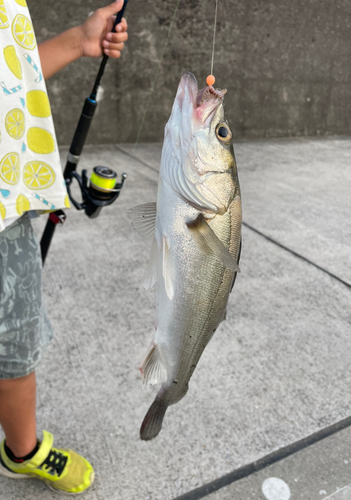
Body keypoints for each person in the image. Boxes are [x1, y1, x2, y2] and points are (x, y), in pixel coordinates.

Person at [0, 0, 128, 494]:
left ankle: (23, 450)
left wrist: (80, 42)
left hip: (6, 216)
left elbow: (12, 73)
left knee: (14, 344)